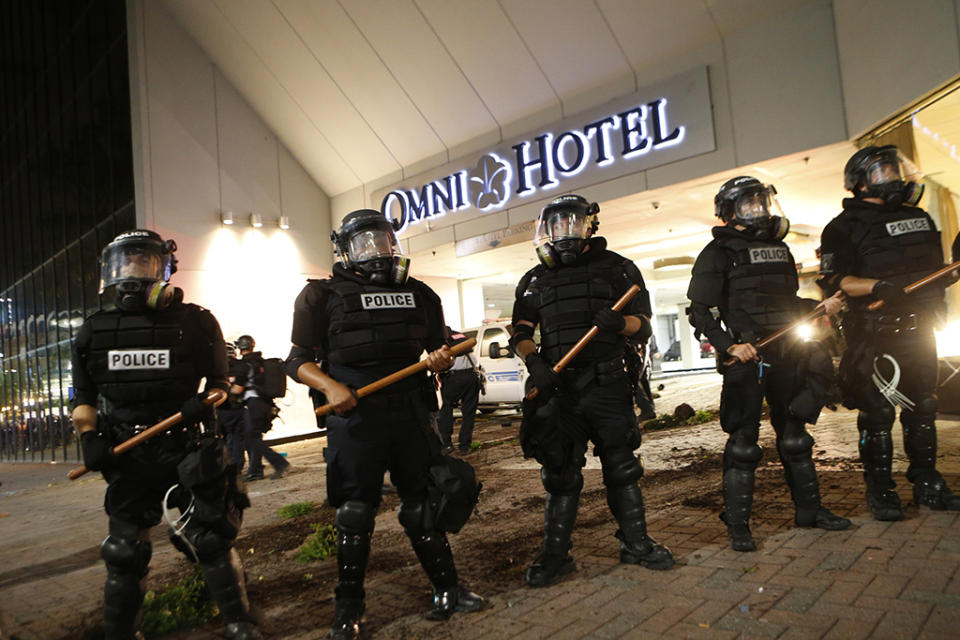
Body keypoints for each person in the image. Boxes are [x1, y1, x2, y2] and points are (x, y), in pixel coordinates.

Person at [284, 209, 485, 640]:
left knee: (422, 505)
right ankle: (348, 611)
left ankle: (448, 589)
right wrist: (330, 385)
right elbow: (296, 360)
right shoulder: (320, 296)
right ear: (344, 250)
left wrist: (440, 358)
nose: (377, 250)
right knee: (356, 514)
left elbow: (439, 349)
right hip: (355, 417)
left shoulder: (421, 294)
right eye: (364, 243)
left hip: (412, 414)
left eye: (383, 240)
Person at [71, 230, 260, 640]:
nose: (132, 273)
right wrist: (89, 438)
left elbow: (221, 384)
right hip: (128, 451)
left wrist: (204, 401)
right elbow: (83, 400)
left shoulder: (196, 322)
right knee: (123, 551)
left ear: (164, 269)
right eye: (125, 264)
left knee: (211, 538)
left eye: (143, 263)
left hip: (186, 443)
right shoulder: (92, 332)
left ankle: (238, 622)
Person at [510, 193, 674, 588]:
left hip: (607, 385)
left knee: (621, 467)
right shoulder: (534, 279)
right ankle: (555, 556)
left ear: (589, 225)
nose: (565, 231)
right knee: (561, 474)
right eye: (557, 224)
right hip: (559, 391)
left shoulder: (618, 269)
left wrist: (620, 325)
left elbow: (644, 325)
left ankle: (635, 543)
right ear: (547, 230)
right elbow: (520, 333)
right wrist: (535, 363)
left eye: (573, 222)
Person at [686, 177, 851, 551]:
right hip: (748, 356)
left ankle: (811, 512)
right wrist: (729, 347)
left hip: (788, 352)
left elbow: (786, 303)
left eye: (762, 202)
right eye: (749, 204)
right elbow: (700, 311)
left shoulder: (779, 249)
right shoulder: (717, 252)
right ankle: (738, 526)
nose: (759, 210)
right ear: (730, 212)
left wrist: (818, 308)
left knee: (795, 437)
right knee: (744, 444)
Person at [819, 146, 960, 519]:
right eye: (883, 172)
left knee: (924, 408)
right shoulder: (842, 228)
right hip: (876, 335)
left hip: (921, 331)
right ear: (861, 183)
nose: (893, 177)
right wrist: (877, 286)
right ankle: (881, 491)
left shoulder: (920, 217)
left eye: (894, 169)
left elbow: (934, 274)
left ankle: (928, 483)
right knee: (878, 414)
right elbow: (835, 280)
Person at [233, 335, 290, 481]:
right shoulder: (260, 362)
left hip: (254, 404)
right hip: (266, 404)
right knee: (253, 437)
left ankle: (279, 463)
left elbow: (238, 389)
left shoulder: (244, 365)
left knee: (252, 438)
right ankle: (255, 470)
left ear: (240, 348)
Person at [437, 327, 482, 454]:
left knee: (446, 409)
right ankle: (465, 446)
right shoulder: (460, 336)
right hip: (472, 375)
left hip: (454, 378)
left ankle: (446, 444)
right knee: (469, 413)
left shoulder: (443, 338)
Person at [220, 341, 247, 468]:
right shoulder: (241, 366)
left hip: (222, 409)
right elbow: (239, 389)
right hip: (237, 408)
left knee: (225, 439)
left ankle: (228, 465)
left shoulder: (219, 369)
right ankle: (237, 466)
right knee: (237, 438)